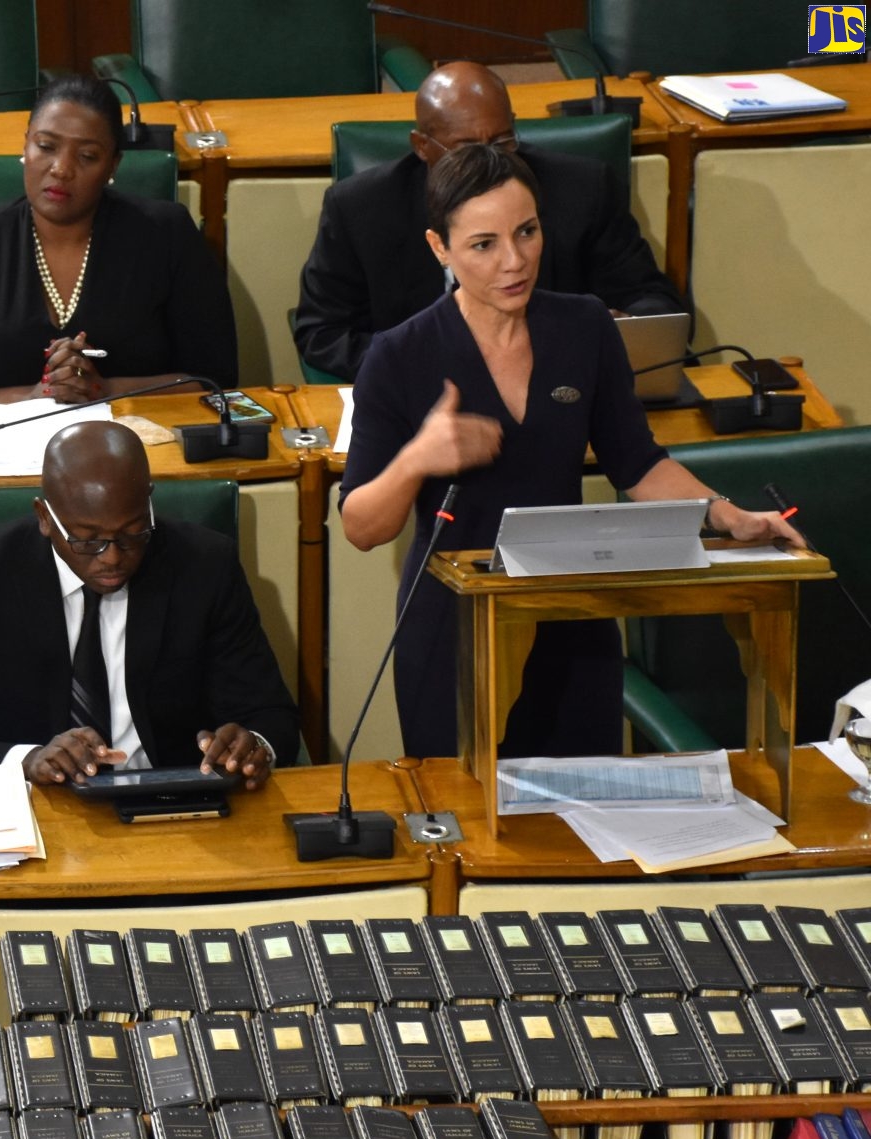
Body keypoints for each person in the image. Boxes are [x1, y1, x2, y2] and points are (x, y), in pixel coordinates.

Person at [338, 143, 799, 760]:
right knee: (467, 824)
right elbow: (362, 527)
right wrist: (418, 457)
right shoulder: (398, 356)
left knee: (583, 822)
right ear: (439, 248)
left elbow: (637, 462)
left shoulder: (584, 327)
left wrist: (727, 515)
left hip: (572, 613)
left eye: (527, 232)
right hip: (453, 627)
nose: (515, 261)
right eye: (484, 245)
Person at [0, 421, 298, 787]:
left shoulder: (205, 566)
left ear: (149, 503)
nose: (111, 557)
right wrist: (27, 760)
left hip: (171, 800)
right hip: (37, 806)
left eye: (132, 533)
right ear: (44, 517)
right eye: (87, 540)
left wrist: (252, 746)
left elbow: (271, 716)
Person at [295, 61, 682, 383]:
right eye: (465, 148)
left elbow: (657, 304)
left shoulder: (582, 190)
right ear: (422, 147)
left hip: (557, 390)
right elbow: (322, 332)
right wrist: (431, 363)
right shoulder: (361, 208)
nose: (489, 163)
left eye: (502, 142)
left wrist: (620, 327)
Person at [0, 73, 237, 407]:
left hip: (134, 452)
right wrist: (29, 400)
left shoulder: (167, 235)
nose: (61, 168)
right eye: (46, 146)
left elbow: (216, 378)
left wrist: (105, 389)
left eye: (87, 156)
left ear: (113, 166)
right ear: (25, 145)